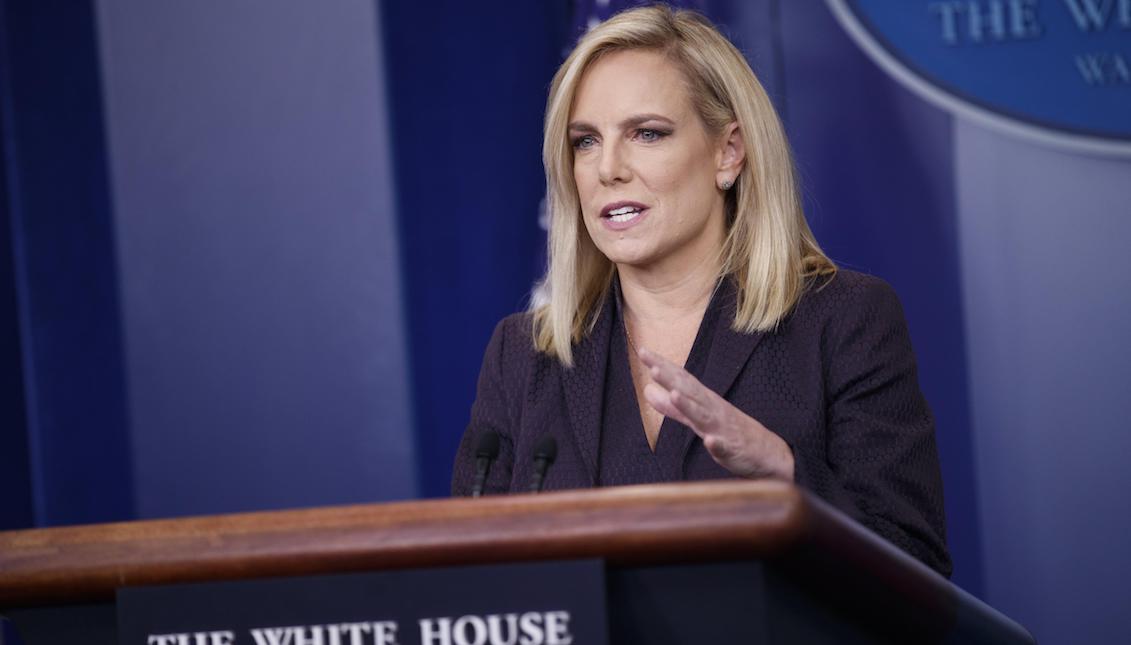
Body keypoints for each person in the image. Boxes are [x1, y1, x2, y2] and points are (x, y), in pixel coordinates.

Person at [451, 5, 951, 577]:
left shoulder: (843, 321)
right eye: (585, 141)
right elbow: (475, 590)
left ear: (728, 152)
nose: (607, 168)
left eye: (646, 133)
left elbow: (917, 568)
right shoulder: (524, 356)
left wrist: (781, 470)